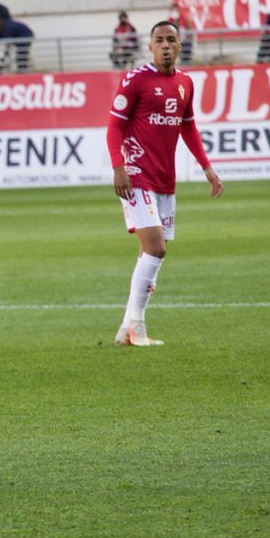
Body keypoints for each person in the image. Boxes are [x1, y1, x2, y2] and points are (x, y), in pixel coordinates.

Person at [106, 20, 223, 347]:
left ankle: (124, 329)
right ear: (150, 46)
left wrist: (207, 169)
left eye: (171, 39)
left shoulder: (185, 83)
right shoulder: (135, 80)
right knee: (156, 248)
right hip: (136, 176)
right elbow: (114, 127)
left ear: (180, 45)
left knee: (147, 252)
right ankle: (137, 328)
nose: (166, 45)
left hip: (164, 180)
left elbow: (189, 128)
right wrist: (119, 168)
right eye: (160, 40)